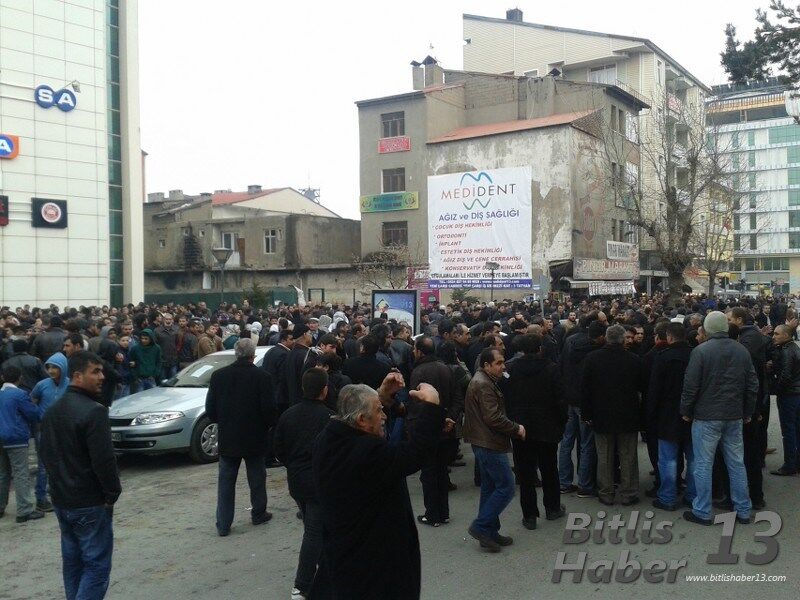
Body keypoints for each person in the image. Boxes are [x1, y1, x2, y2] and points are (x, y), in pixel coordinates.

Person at [310, 375, 442, 599]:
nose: (384, 415)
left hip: (345, 557)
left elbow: (362, 421)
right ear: (362, 420)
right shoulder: (367, 452)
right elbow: (414, 454)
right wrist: (432, 406)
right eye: (379, 410)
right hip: (373, 566)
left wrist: (382, 396)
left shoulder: (329, 438)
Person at [40, 351, 122, 599]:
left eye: (102, 371)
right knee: (96, 566)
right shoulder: (94, 411)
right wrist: (111, 493)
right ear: (77, 376)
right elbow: (104, 460)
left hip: (63, 500)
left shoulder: (53, 410)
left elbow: (47, 454)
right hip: (88, 502)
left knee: (74, 563)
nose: (102, 377)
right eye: (95, 372)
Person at [680, 311, 758, 526]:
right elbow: (752, 385)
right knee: (736, 463)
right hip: (734, 415)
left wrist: (686, 410)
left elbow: (691, 385)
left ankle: (702, 511)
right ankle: (743, 510)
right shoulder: (742, 350)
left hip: (706, 416)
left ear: (707, 328)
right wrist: (748, 411)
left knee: (703, 464)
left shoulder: (700, 351)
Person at [273, 368, 333, 600]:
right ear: (324, 390)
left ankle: (325, 570)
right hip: (319, 482)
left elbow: (279, 449)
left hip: (297, 481)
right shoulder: (329, 418)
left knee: (314, 526)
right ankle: (302, 584)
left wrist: (293, 464)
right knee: (314, 532)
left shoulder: (288, 415)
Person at [205, 338, 275, 536]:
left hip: (229, 436)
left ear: (236, 353)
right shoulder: (262, 377)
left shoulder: (219, 376)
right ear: (253, 355)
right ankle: (258, 513)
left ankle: (223, 523)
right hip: (255, 436)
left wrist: (223, 422)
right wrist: (267, 426)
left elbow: (211, 409)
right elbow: (269, 410)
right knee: (257, 478)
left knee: (226, 482)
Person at [463, 347, 525, 552]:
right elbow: (492, 417)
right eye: (498, 363)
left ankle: (489, 532)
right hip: (488, 442)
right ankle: (481, 527)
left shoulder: (485, 380)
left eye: (503, 362)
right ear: (486, 365)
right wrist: (516, 428)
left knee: (490, 488)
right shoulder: (483, 384)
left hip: (484, 440)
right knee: (506, 486)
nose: (503, 366)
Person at [505, 334, 567, 530]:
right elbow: (560, 399)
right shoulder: (551, 368)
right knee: (550, 469)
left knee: (525, 473)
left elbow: (506, 397)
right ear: (540, 348)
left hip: (521, 428)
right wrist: (561, 423)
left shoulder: (511, 369)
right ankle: (553, 507)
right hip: (547, 426)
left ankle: (529, 515)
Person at [581, 324, 643, 506]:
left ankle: (606, 492)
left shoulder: (592, 358)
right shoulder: (634, 360)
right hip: (628, 414)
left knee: (604, 455)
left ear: (607, 338)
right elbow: (641, 386)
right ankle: (628, 492)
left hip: (601, 414)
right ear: (623, 339)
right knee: (628, 455)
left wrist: (586, 414)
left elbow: (585, 389)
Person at [409, 336, 462, 527]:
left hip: (428, 430)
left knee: (429, 473)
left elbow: (417, 405)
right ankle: (443, 512)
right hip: (446, 428)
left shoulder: (418, 371)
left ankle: (432, 514)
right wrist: (451, 419)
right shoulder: (447, 368)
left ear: (419, 351)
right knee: (441, 471)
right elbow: (457, 397)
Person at [647, 323, 694, 511]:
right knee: (694, 458)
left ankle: (667, 497)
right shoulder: (695, 355)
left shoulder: (663, 357)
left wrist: (650, 415)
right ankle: (692, 495)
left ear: (670, 337)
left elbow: (655, 389)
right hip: (692, 414)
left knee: (668, 459)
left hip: (667, 415)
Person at [558, 319, 604, 496]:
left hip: (569, 398)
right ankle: (585, 484)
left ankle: (564, 482)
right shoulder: (595, 351)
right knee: (586, 443)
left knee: (566, 442)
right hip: (584, 400)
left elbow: (561, 367)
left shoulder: (570, 342)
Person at [0, 365, 44, 522]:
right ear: (20, 378)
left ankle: (0, 506)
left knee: (3, 473)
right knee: (21, 473)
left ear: (2, 377)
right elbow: (33, 414)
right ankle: (24, 510)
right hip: (16, 437)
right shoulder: (20, 394)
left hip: (1, 437)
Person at [29, 352, 70, 512]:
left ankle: (61, 494)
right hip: (44, 430)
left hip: (64, 430)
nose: (51, 370)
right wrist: (37, 418)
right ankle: (41, 498)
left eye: (55, 367)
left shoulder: (70, 385)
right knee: (44, 464)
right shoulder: (41, 385)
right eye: (49, 367)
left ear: (63, 368)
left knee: (64, 462)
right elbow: (32, 402)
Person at [770, 324, 800, 475]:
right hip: (796, 393)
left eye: (777, 334)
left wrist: (777, 389)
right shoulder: (793, 348)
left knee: (788, 431)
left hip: (789, 395)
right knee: (796, 429)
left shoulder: (787, 351)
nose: (773, 336)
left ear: (786, 336)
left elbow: (786, 374)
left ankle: (789, 465)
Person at [262, 329, 293, 468]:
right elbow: (282, 377)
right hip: (280, 397)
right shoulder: (283, 354)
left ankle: (269, 455)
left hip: (272, 394)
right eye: (291, 339)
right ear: (284, 340)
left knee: (272, 427)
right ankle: (270, 457)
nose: (293, 342)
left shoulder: (271, 351)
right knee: (276, 428)